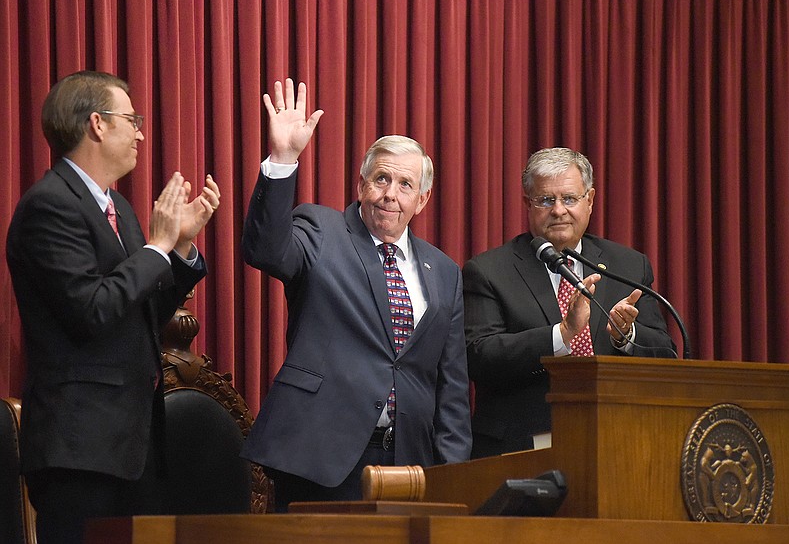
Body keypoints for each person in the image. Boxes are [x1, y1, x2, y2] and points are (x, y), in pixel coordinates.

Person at [6, 70, 221, 543]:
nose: (141, 132)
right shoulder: (50, 206)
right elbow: (92, 310)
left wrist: (180, 248)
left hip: (132, 442)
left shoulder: (117, 208)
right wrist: (157, 246)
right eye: (132, 119)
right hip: (79, 446)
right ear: (97, 124)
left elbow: (141, 311)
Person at [240, 78, 472, 510]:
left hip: (408, 461)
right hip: (320, 450)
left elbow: (451, 384)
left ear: (422, 200)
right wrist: (283, 159)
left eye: (405, 186)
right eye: (381, 179)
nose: (390, 195)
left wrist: (453, 472)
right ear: (361, 184)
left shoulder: (444, 272)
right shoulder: (322, 229)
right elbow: (265, 250)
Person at [463, 147, 675, 459]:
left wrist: (624, 337)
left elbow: (665, 353)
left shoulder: (627, 266)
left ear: (590, 200)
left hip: (616, 441)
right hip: (524, 447)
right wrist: (561, 335)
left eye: (570, 199)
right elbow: (479, 357)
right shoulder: (489, 271)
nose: (559, 210)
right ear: (528, 204)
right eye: (547, 200)